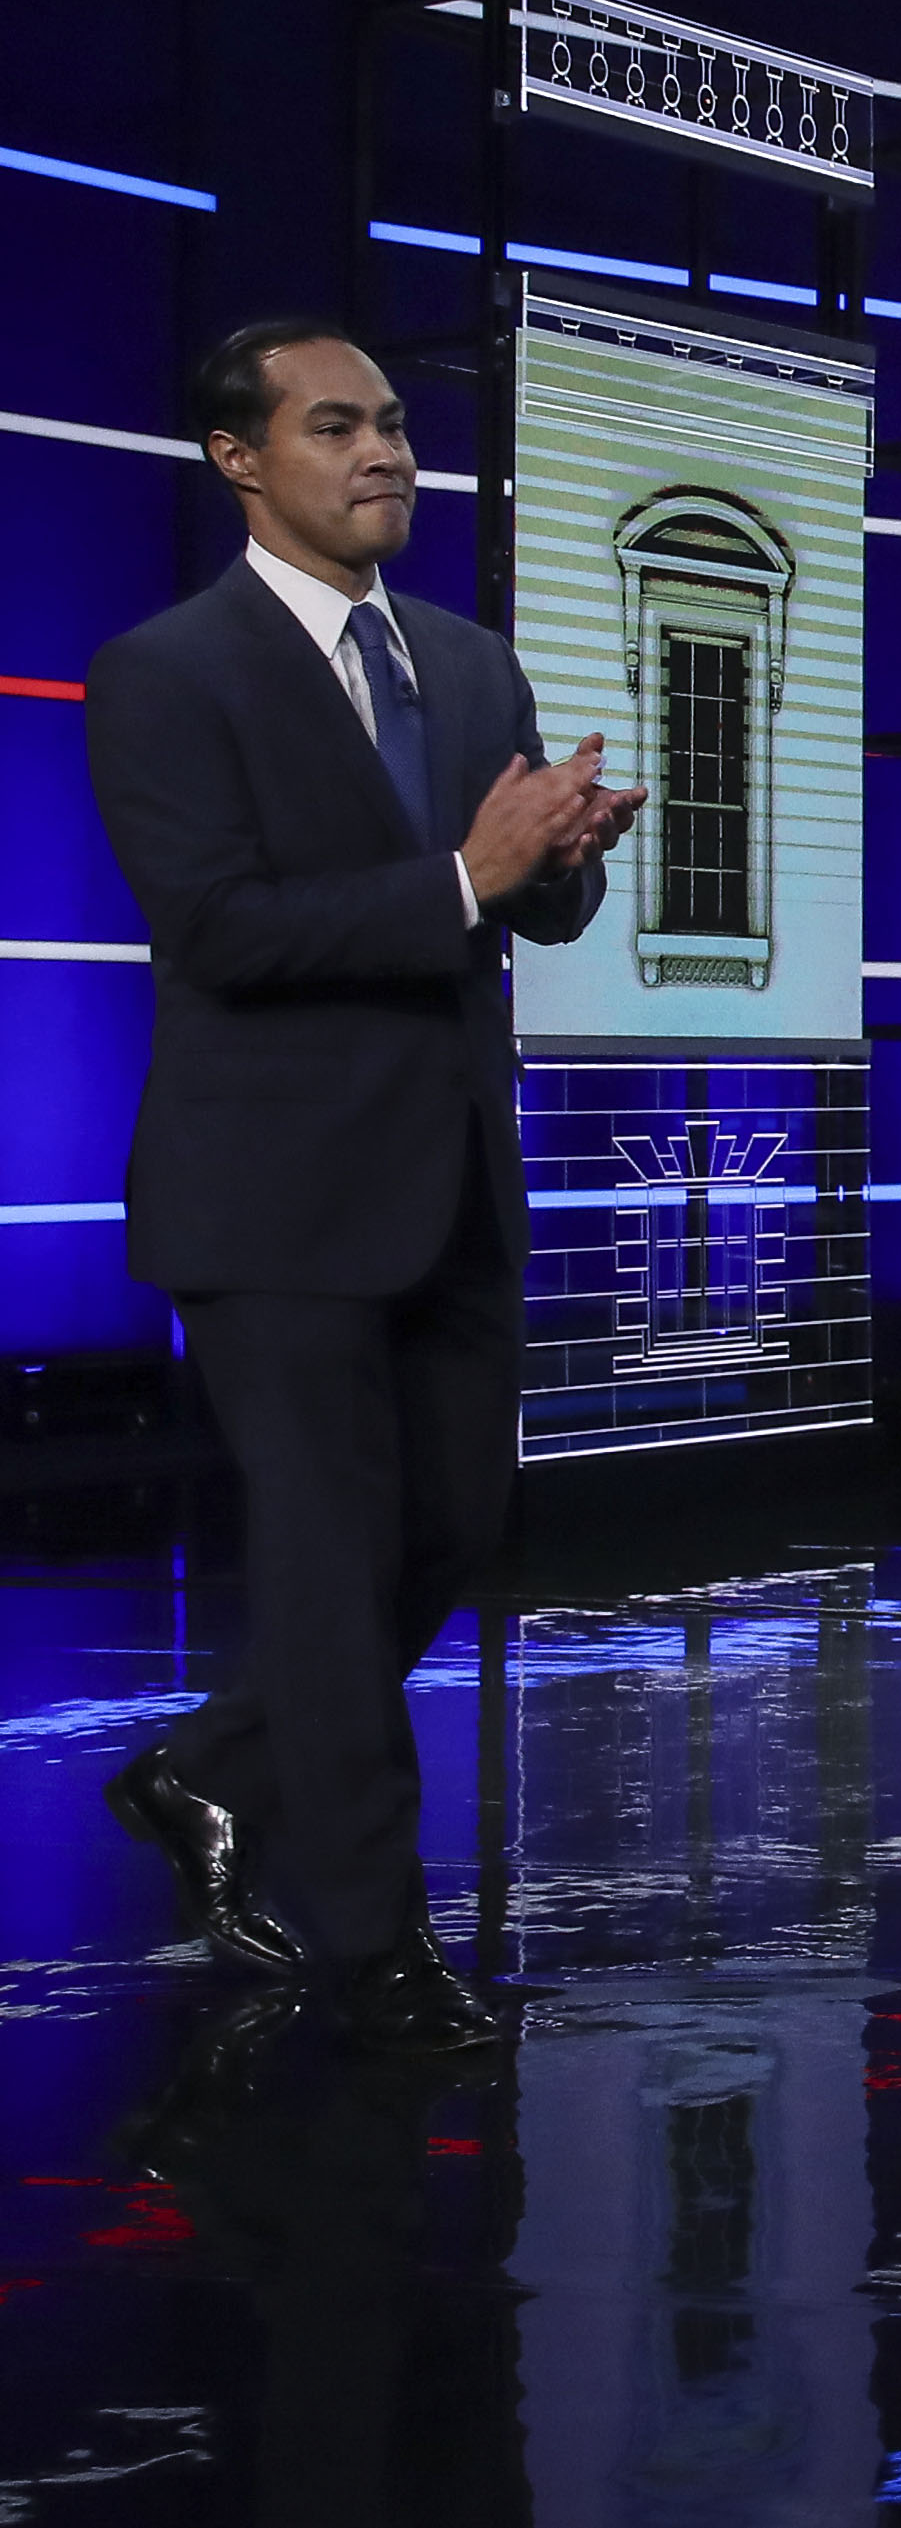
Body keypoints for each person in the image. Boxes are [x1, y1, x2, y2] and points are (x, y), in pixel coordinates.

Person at [85, 322, 636, 2050]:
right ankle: (374, 1949)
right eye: (339, 427)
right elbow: (226, 930)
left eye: (395, 423)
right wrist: (468, 875)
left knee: (451, 1531)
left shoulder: (468, 663)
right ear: (240, 458)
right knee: (328, 1570)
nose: (385, 452)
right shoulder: (166, 671)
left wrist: (554, 866)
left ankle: (205, 1765)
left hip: (451, 1176)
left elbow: (519, 919)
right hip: (272, 1198)